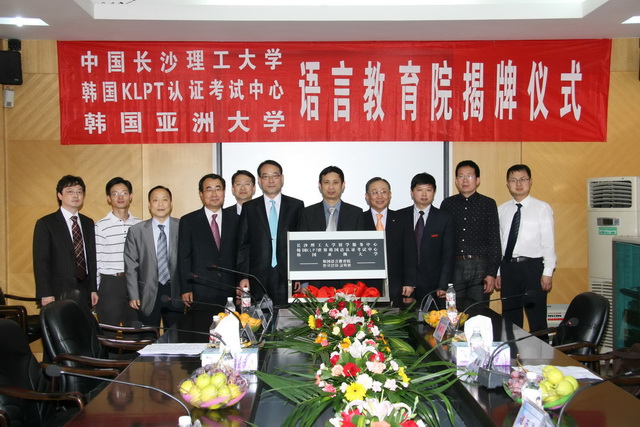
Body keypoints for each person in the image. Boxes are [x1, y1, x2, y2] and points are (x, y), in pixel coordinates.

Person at [496, 164, 556, 333]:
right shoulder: (501, 210)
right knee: (510, 319)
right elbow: (498, 244)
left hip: (533, 268)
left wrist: (548, 272)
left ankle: (541, 351)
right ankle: (512, 349)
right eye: (513, 180)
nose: (518, 184)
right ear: (507, 184)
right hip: (508, 267)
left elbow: (548, 242)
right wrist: (498, 272)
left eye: (523, 179)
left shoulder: (542, 208)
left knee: (537, 319)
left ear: (530, 181)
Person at [237, 160, 304, 305]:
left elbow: (299, 243)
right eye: (266, 176)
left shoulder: (296, 206)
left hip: (286, 275)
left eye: (275, 176)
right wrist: (243, 276)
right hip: (257, 276)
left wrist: (298, 274)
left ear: (282, 178)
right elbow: (243, 245)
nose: (271, 180)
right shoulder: (249, 208)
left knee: (287, 316)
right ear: (259, 181)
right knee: (258, 316)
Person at [440, 160, 501, 307]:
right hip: (454, 266)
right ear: (456, 181)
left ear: (477, 180)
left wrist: (491, 273)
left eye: (469, 176)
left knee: (478, 310)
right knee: (453, 310)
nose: (465, 180)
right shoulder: (447, 204)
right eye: (461, 176)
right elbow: (442, 242)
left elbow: (494, 240)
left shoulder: (488, 204)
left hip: (480, 266)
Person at [33, 175, 98, 308]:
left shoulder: (88, 223)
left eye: (79, 192)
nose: (76, 195)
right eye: (70, 191)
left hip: (84, 289)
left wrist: (93, 289)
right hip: (58, 290)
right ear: (59, 195)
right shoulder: (46, 223)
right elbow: (41, 261)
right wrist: (46, 293)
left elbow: (91, 258)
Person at [124, 186, 182, 328]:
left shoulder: (182, 226)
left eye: (165, 200)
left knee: (176, 335)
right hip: (147, 293)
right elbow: (131, 266)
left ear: (171, 204)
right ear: (149, 205)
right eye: (155, 200)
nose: (160, 204)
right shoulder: (136, 231)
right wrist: (133, 295)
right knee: (148, 336)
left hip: (175, 291)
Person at [178, 174, 239, 308]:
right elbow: (184, 258)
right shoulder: (188, 221)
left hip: (230, 288)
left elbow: (241, 255)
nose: (214, 194)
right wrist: (185, 288)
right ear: (201, 194)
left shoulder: (236, 219)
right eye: (209, 189)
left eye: (218, 189)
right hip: (200, 289)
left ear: (224, 192)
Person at [400, 172, 455, 304]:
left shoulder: (445, 218)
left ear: (434, 193)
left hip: (434, 283)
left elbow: (448, 254)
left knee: (432, 315)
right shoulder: (400, 216)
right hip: (405, 282)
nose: (424, 194)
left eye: (428, 190)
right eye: (419, 190)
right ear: (412, 192)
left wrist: (443, 284)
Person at [94, 177, 141, 330]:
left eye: (124, 193)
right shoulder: (100, 226)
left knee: (134, 330)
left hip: (134, 283)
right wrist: (96, 289)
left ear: (131, 196)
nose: (120, 197)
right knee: (109, 330)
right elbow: (96, 260)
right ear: (109, 198)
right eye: (115, 194)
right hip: (110, 284)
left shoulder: (139, 225)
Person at [361, 177, 406, 303]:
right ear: (367, 196)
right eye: (375, 192)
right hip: (366, 284)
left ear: (390, 195)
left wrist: (409, 282)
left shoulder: (402, 219)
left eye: (384, 192)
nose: (380, 196)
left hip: (397, 283)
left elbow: (409, 252)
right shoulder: (360, 219)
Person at [299, 165, 364, 231]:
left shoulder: (356, 214)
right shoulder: (308, 213)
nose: (331, 187)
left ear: (343, 185)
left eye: (335, 182)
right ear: (320, 185)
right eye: (326, 182)